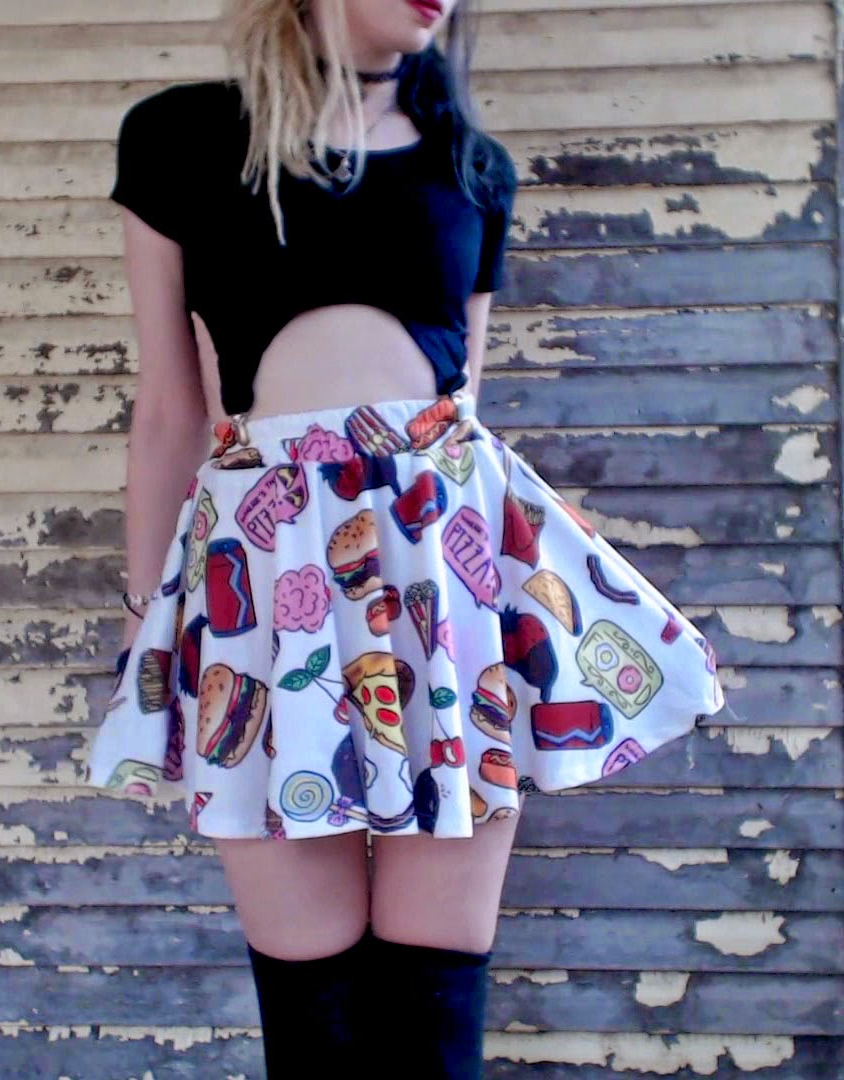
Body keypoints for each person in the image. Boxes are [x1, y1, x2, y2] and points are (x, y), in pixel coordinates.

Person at [86, 1, 727, 1076]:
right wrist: (146, 633)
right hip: (264, 586)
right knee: (317, 1020)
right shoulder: (184, 137)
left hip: (445, 588)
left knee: (434, 1014)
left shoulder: (471, 167)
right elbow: (168, 411)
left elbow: (460, 413)